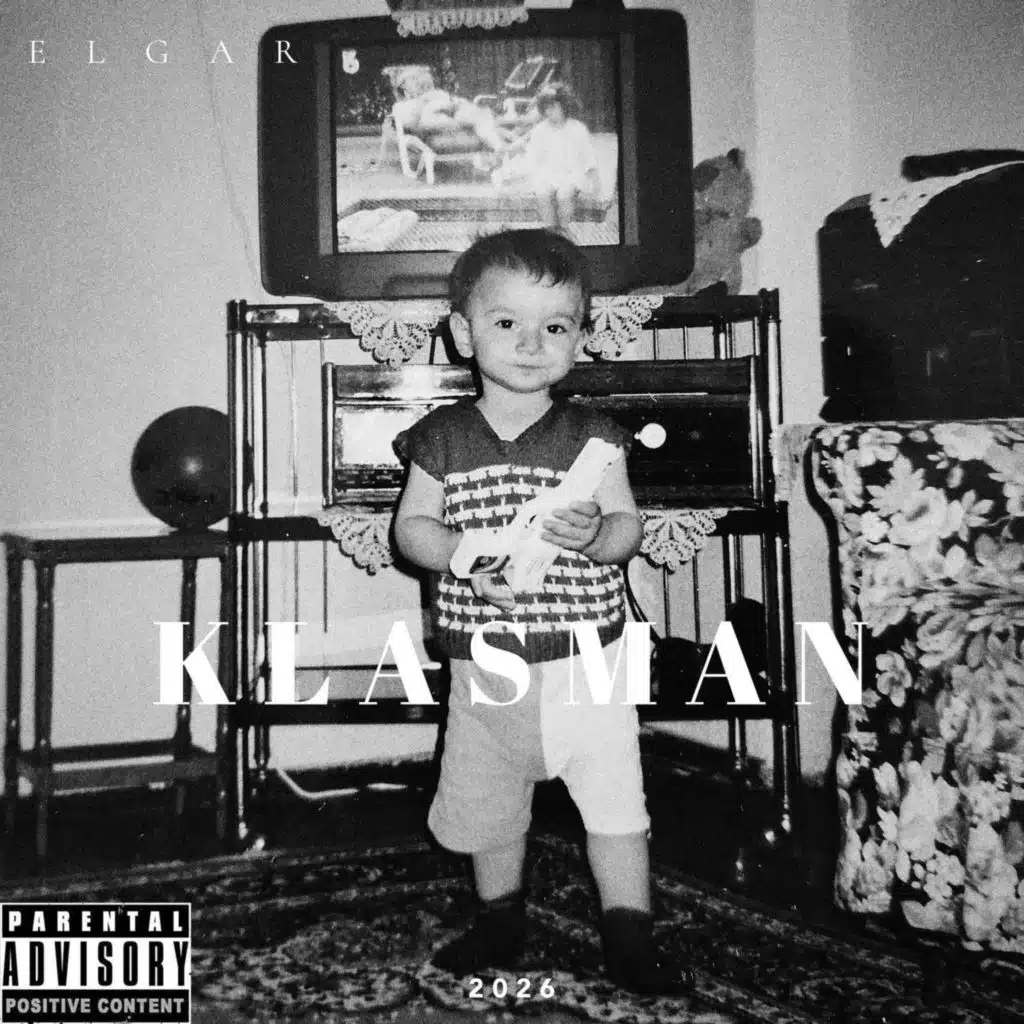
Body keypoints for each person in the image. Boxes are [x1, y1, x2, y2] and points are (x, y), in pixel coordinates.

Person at [393, 229, 690, 995]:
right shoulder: (441, 439)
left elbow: (626, 531)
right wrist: (465, 555)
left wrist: (597, 534)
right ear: (463, 333)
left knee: (616, 799)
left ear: (580, 338)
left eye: (555, 325)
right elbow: (412, 530)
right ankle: (499, 920)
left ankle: (629, 933)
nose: (532, 343)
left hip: (589, 656)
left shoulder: (594, 438)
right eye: (506, 322)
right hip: (488, 661)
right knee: (488, 800)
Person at [514, 84, 602, 230]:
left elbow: (589, 158)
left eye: (553, 107)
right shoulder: (540, 130)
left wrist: (596, 184)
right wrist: (523, 176)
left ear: (564, 106)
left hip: (571, 174)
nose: (549, 112)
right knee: (542, 193)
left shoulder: (577, 128)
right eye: (546, 108)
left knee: (564, 195)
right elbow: (532, 158)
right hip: (547, 174)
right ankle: (550, 231)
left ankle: (564, 229)